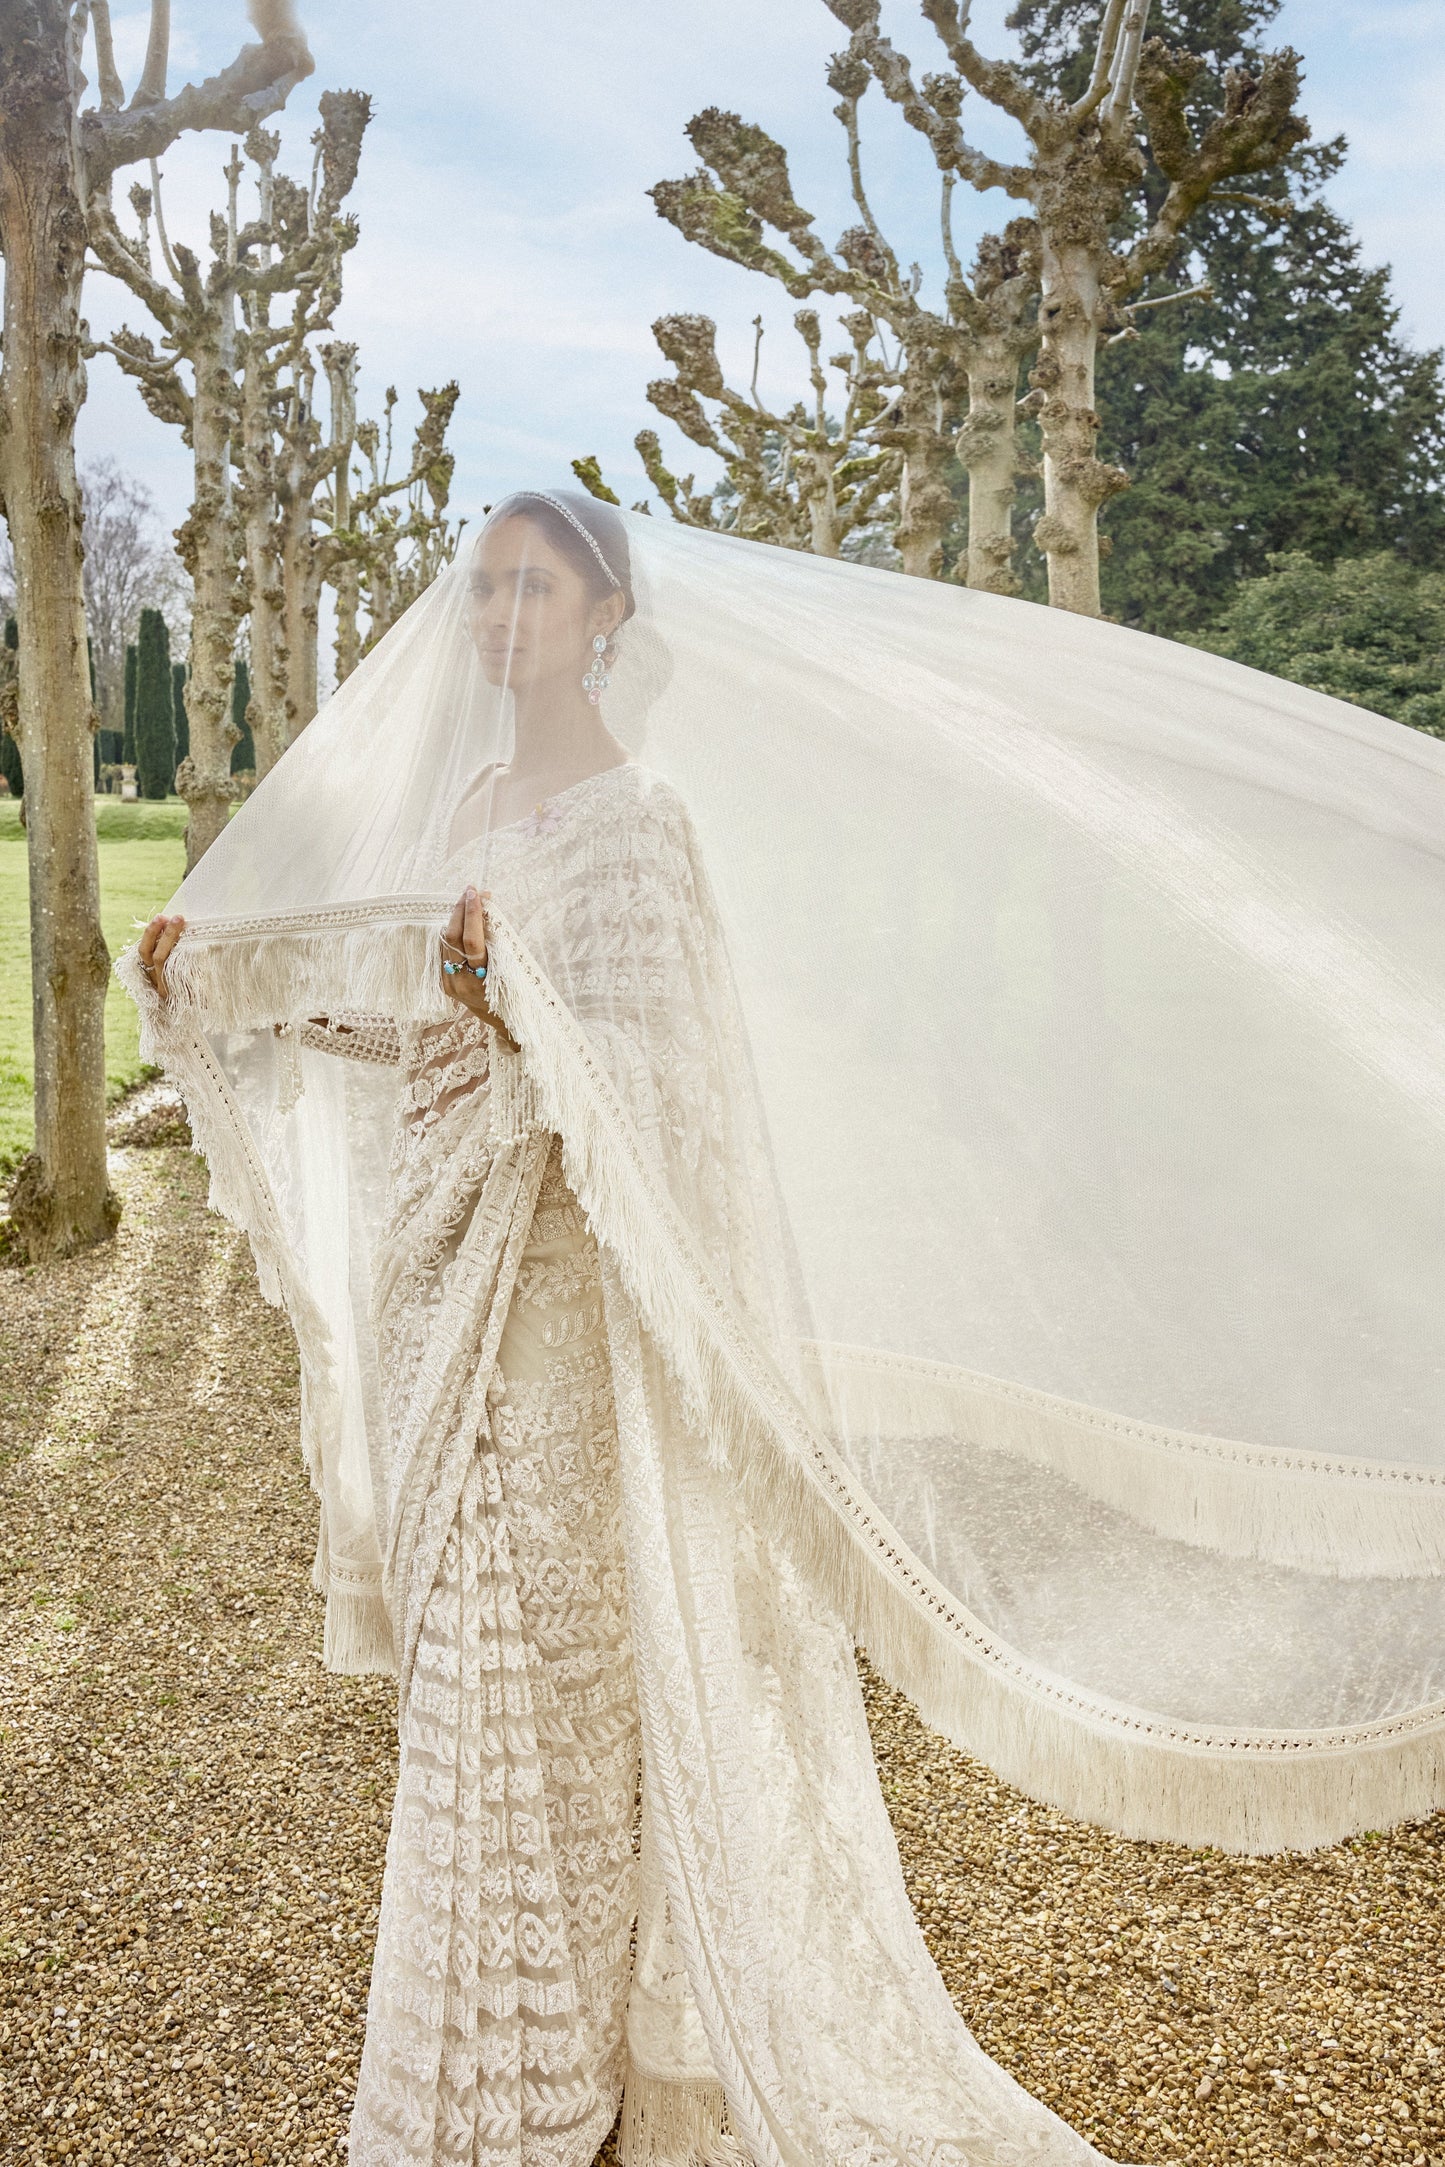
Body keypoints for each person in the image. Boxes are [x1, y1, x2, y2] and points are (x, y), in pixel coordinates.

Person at [129, 490, 1445, 2167]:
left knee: (544, 1688)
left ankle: (534, 2088)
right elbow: (425, 1034)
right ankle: (485, 2068)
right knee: (464, 1678)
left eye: (536, 587)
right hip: (440, 1297)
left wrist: (510, 1006)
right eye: (485, 588)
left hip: (556, 1323)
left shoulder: (633, 826)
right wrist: (244, 995)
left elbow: (663, 1085)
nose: (500, 616)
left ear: (606, 614)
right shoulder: (463, 804)